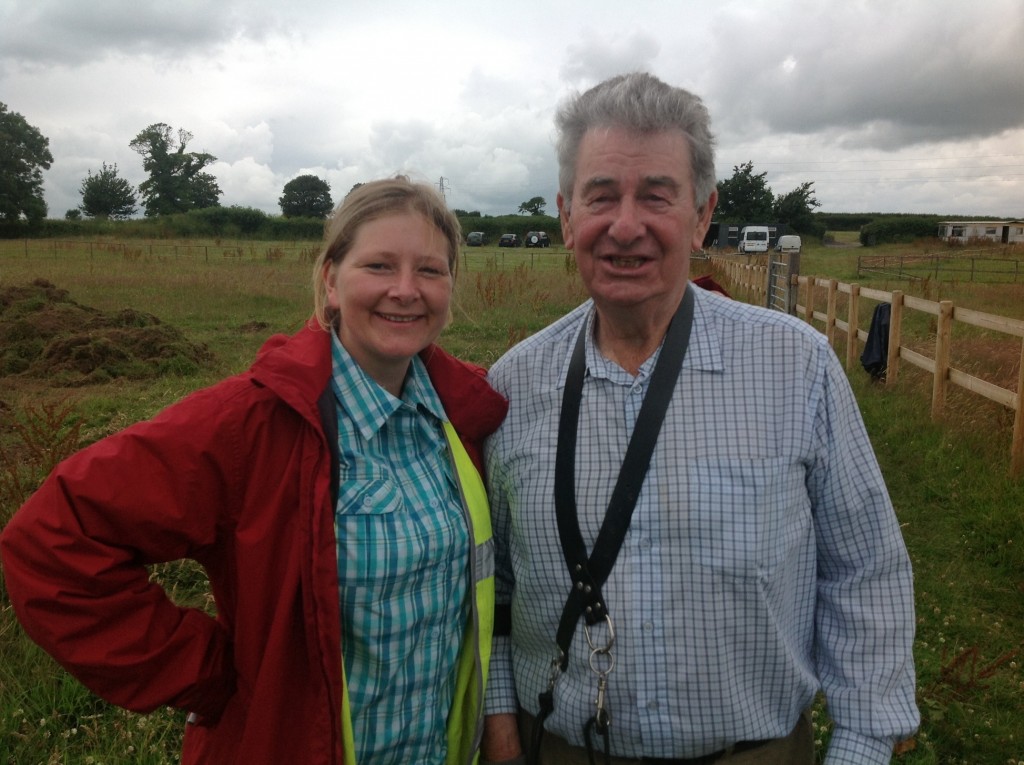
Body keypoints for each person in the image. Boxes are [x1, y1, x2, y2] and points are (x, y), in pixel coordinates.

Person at [480, 73, 919, 765]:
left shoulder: (796, 365)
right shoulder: (512, 384)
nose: (626, 225)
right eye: (601, 197)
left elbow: (864, 570)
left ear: (702, 213)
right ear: (567, 215)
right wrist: (500, 721)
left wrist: (863, 741)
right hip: (558, 745)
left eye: (657, 195)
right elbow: (496, 583)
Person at [1, 176, 509, 765]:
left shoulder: (462, 418)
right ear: (331, 280)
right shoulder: (251, 423)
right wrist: (212, 677)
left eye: (430, 270)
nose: (405, 290)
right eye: (378, 266)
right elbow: (50, 542)